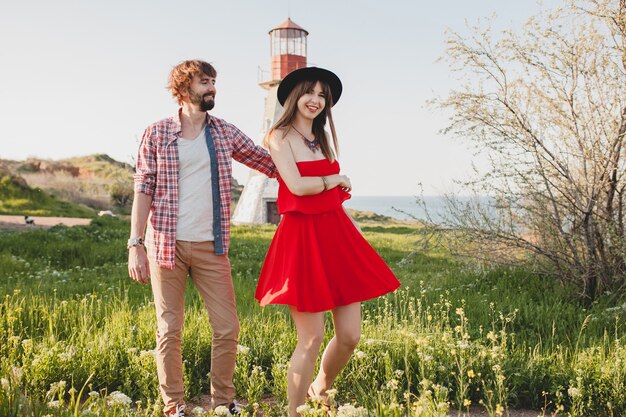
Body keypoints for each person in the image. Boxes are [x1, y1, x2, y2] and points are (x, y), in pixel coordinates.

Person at [128, 59, 277, 417]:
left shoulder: (224, 132)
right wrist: (135, 244)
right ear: (183, 88)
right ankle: (173, 405)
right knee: (169, 329)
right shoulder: (158, 133)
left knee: (227, 327)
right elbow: (143, 188)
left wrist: (311, 164)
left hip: (212, 246)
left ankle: (224, 403)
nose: (212, 88)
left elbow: (266, 161)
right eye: (204, 82)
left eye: (213, 81)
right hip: (165, 244)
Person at [254, 67, 401, 416]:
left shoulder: (321, 139)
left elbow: (330, 196)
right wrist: (336, 178)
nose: (316, 100)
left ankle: (321, 386)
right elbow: (299, 186)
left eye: (323, 95)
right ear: (294, 96)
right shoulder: (279, 136)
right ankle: (294, 411)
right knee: (311, 337)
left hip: (337, 236)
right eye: (310, 92)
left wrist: (353, 223)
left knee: (350, 336)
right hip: (303, 239)